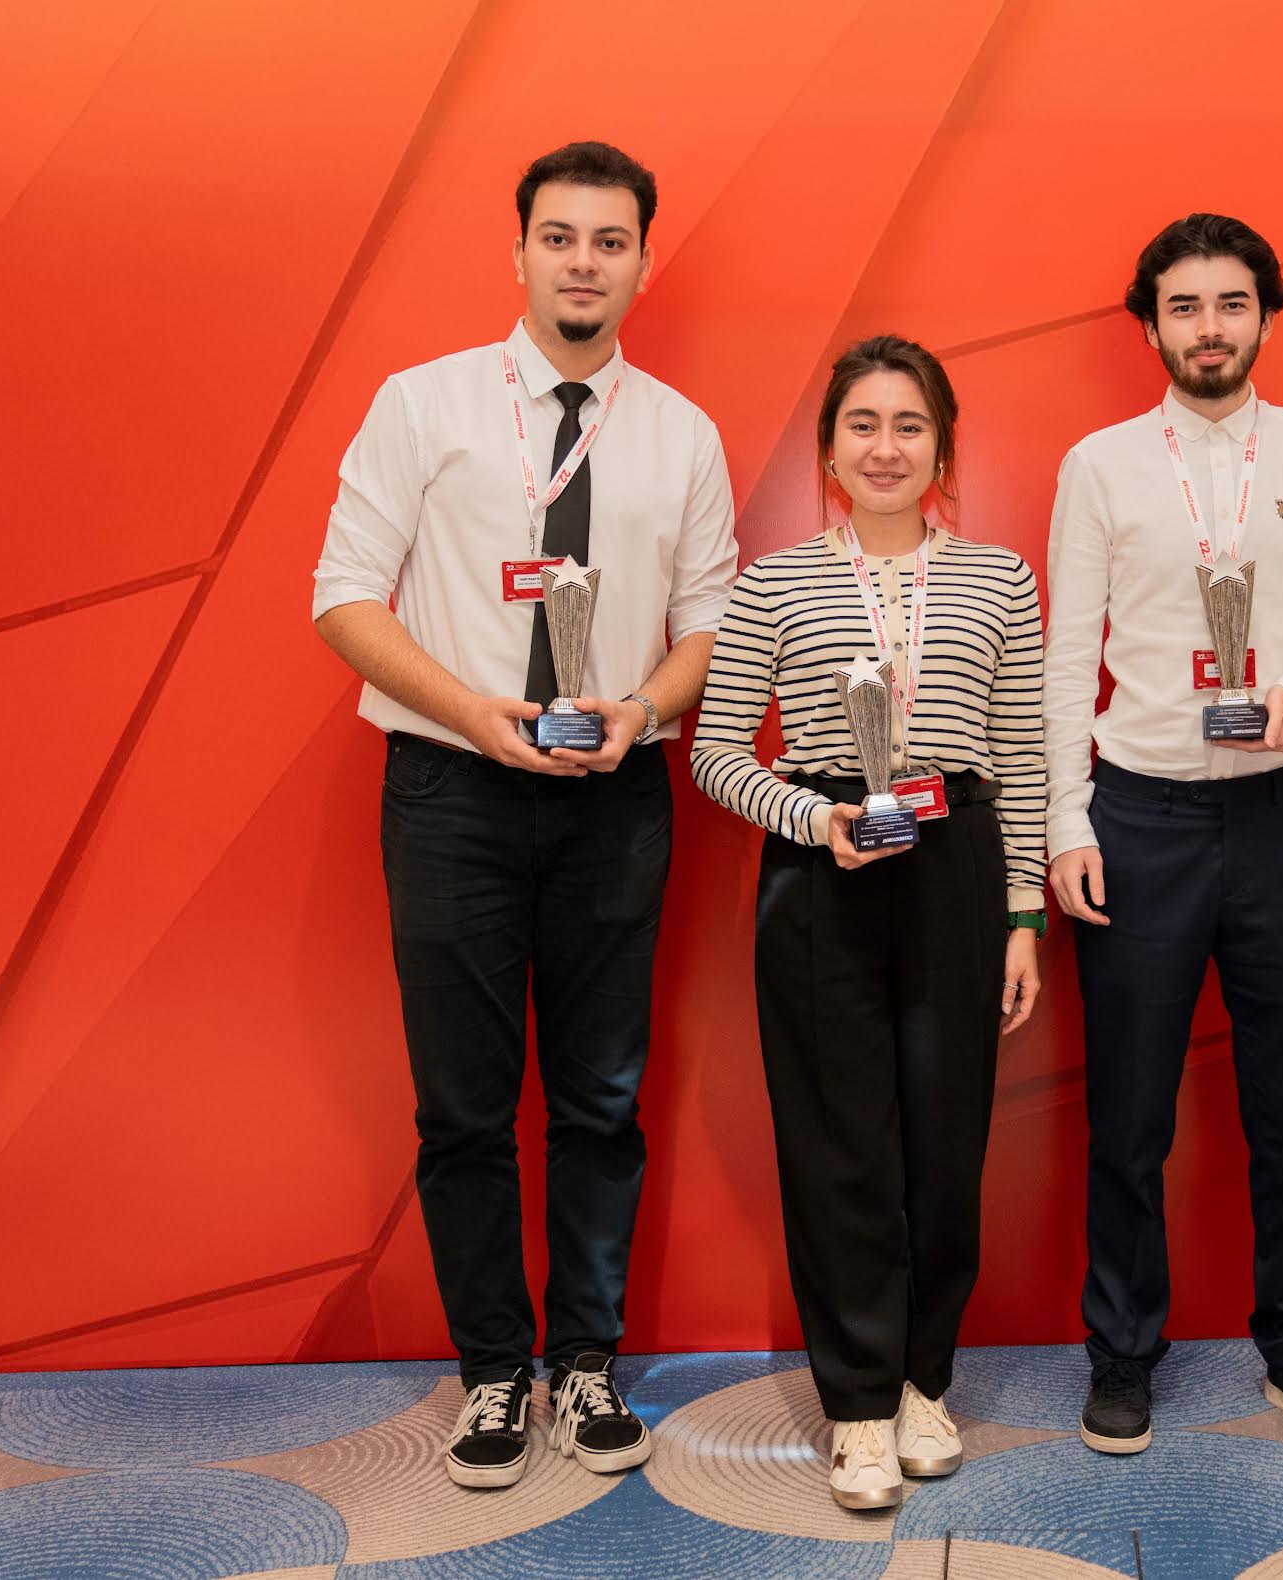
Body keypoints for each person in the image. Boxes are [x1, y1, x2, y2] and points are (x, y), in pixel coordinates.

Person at [310, 141, 738, 1490]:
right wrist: (472, 710)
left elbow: (711, 624)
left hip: (614, 796)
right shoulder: (422, 404)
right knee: (463, 1105)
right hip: (453, 791)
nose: (582, 263)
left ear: (642, 263)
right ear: (519, 254)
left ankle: (587, 1362)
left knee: (602, 1098)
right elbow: (342, 596)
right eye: (559, 237)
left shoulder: (679, 432)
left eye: (609, 241)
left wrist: (641, 708)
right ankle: (495, 1370)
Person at [1043, 214, 1283, 1458]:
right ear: (1151, 324)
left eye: (1232, 303)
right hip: (1139, 815)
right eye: (1186, 306)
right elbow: (1066, 655)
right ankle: (1122, 1350)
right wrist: (1065, 818)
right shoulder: (1100, 464)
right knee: (1129, 1113)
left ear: (1266, 313)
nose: (1210, 328)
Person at [691, 335, 1047, 1510]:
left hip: (956, 861)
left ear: (943, 446)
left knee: (946, 1144)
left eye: (909, 424)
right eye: (862, 424)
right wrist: (812, 817)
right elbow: (714, 752)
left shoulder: (999, 578)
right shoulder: (773, 583)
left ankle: (924, 1384)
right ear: (828, 449)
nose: (885, 447)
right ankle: (856, 1404)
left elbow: (1022, 756)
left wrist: (1022, 915)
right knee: (840, 1144)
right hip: (825, 868)